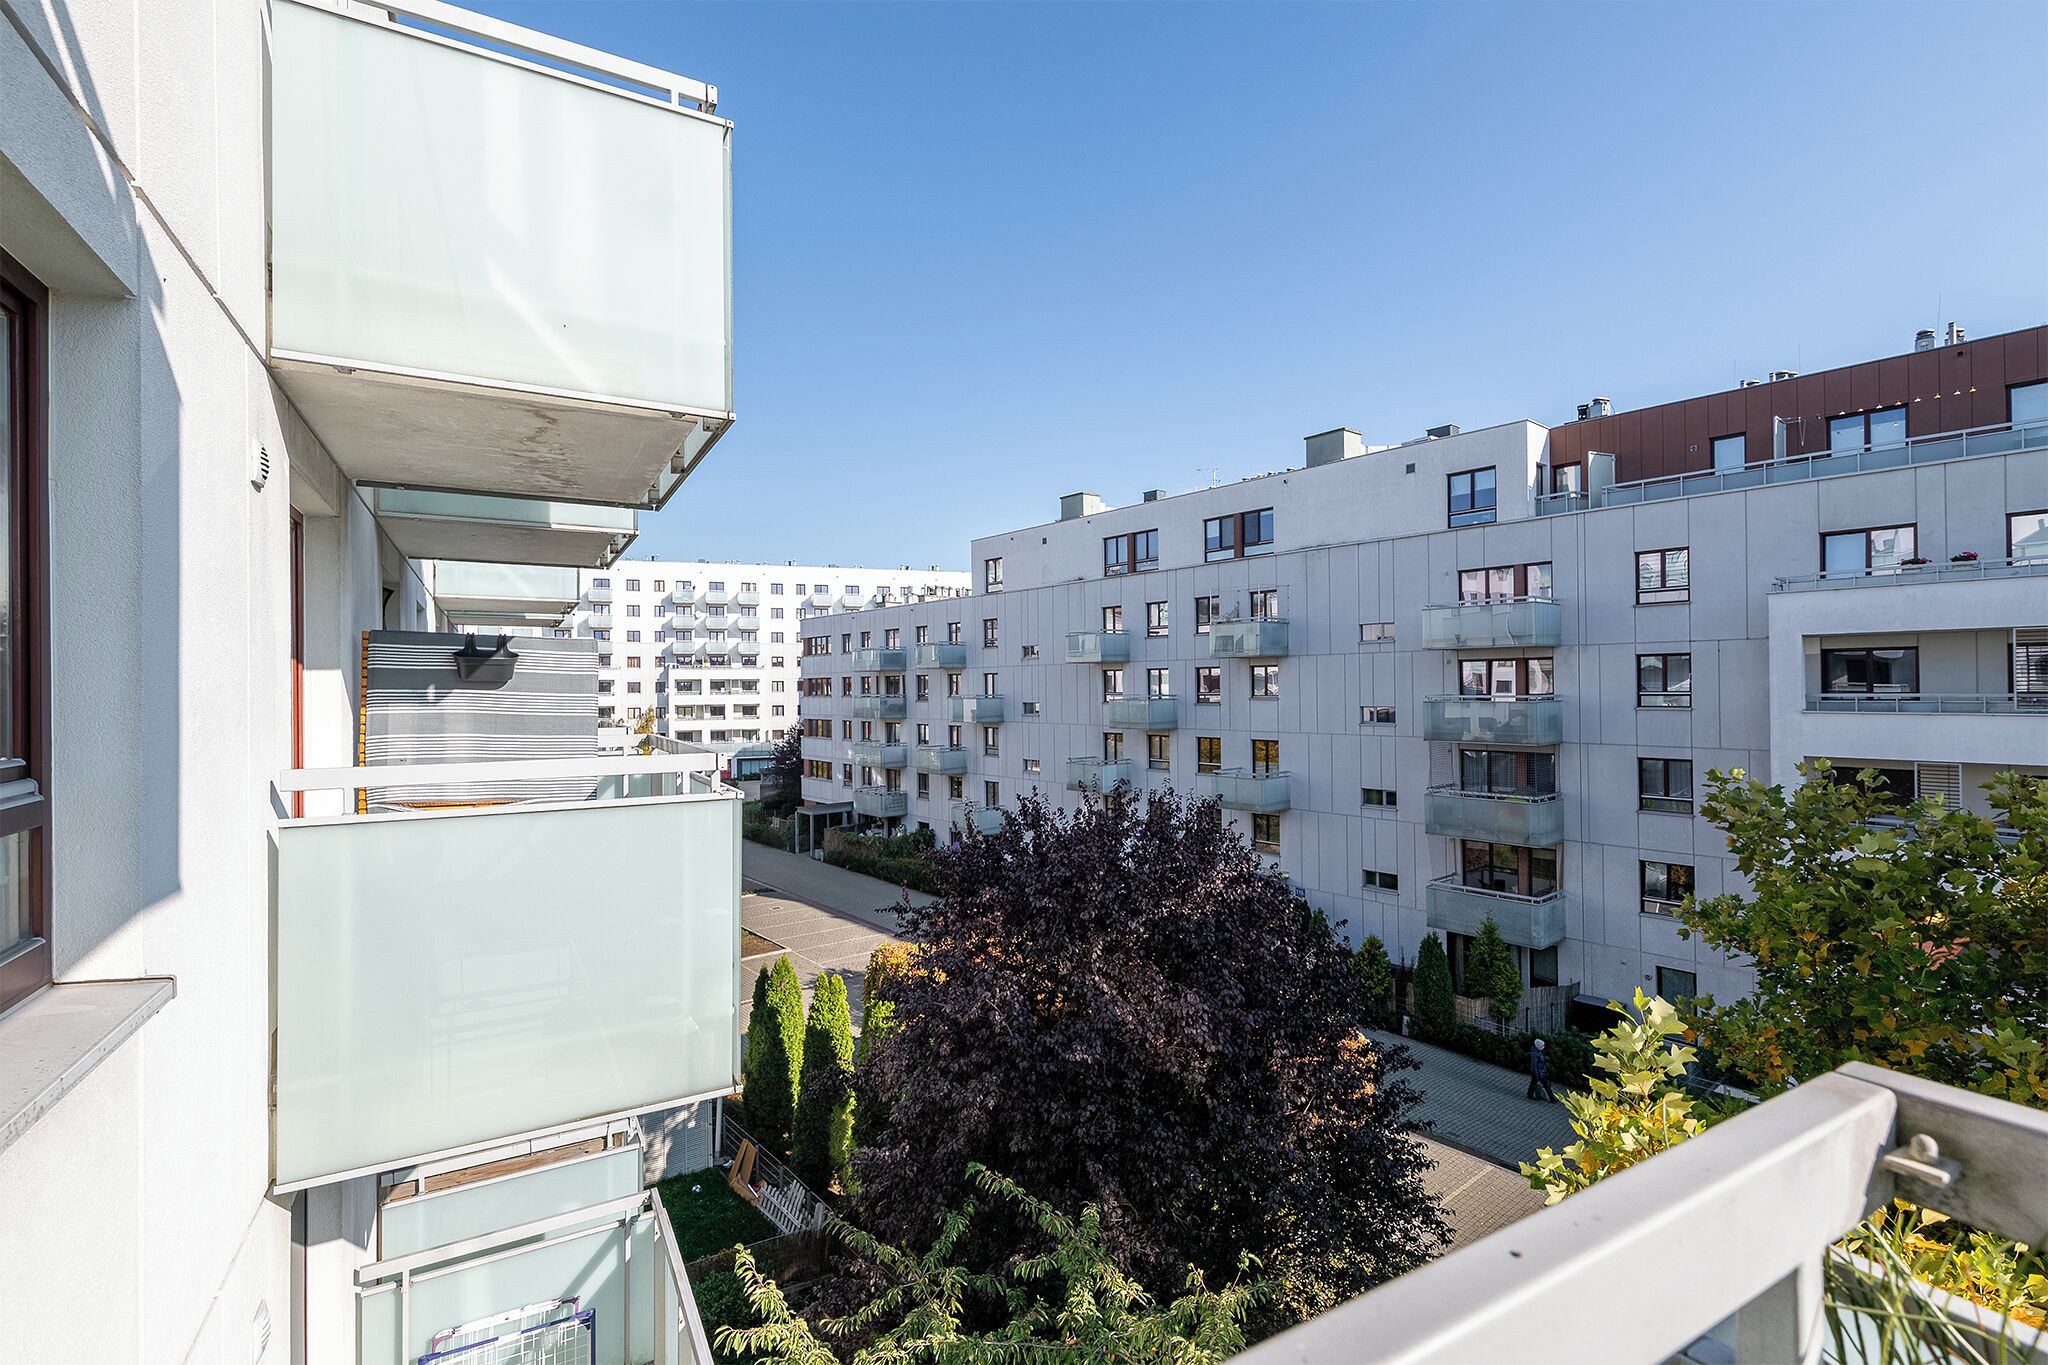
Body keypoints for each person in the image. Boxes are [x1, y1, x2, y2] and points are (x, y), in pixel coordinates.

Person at [1527, 1036, 1557, 1102]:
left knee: (1534, 1083)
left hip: (1540, 1072)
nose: (1543, 1047)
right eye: (1542, 1046)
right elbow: (1534, 1065)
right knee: (1546, 1085)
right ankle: (1552, 1098)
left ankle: (1529, 1095)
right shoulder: (1535, 1054)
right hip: (1539, 1073)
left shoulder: (1538, 1052)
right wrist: (1536, 1074)